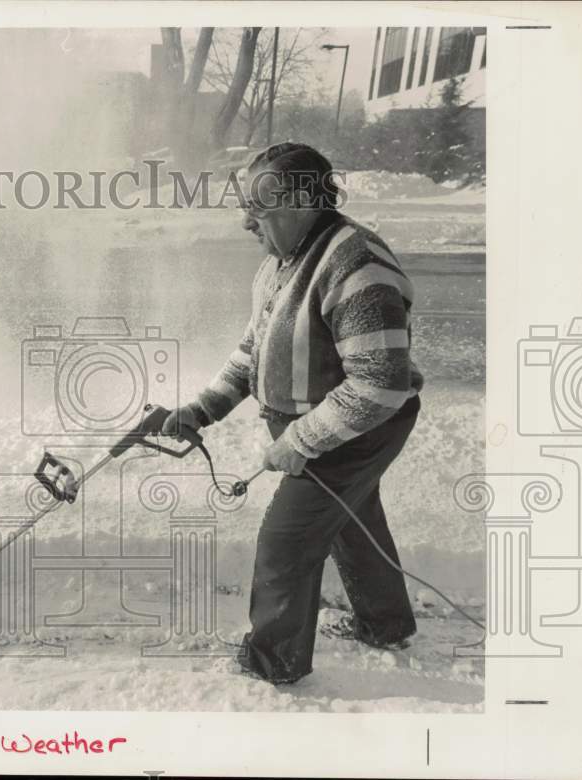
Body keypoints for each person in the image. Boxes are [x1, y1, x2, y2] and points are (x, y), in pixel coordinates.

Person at [162, 142, 424, 684]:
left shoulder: (358, 265)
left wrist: (301, 441)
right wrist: (202, 409)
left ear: (303, 202)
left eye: (258, 209)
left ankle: (271, 663)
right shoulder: (281, 264)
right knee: (352, 521)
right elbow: (254, 349)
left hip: (357, 429)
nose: (245, 224)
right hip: (324, 426)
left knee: (286, 541)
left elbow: (380, 384)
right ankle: (386, 624)